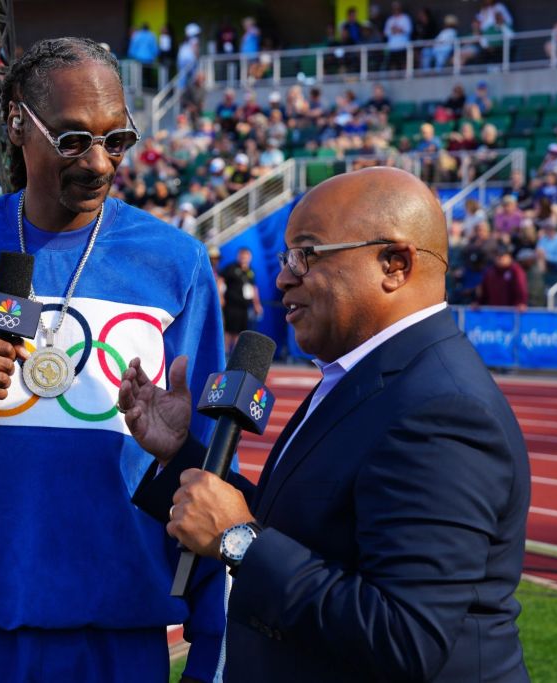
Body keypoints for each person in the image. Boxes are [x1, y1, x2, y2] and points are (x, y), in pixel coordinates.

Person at [0, 37, 226, 683]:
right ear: (16, 124)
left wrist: (212, 649)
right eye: (73, 139)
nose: (99, 162)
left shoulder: (177, 263)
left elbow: (208, 472)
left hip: (116, 635)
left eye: (117, 139)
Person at [120, 167, 531, 682]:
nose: (283, 278)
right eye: (285, 257)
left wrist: (237, 540)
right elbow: (309, 527)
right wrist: (179, 455)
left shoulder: (443, 408)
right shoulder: (369, 374)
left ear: (394, 264)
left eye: (306, 254)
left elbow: (404, 636)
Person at [220, 246, 263, 352]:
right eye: (242, 256)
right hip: (231, 305)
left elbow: (253, 288)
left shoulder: (250, 271)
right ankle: (224, 355)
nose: (244, 258)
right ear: (238, 256)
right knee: (229, 330)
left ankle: (235, 356)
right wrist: (220, 297)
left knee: (240, 332)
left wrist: (257, 304)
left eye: (246, 256)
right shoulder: (231, 268)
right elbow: (220, 281)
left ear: (250, 258)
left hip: (244, 307)